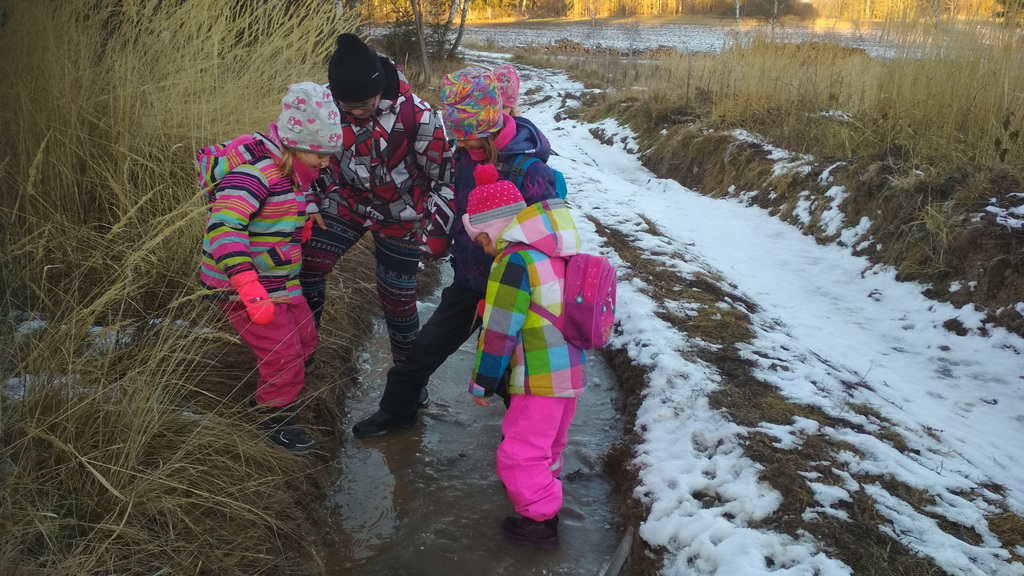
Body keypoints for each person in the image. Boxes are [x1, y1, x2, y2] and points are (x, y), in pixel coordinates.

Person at [352, 67, 559, 438]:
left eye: (469, 136)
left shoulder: (531, 172)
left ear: (492, 124)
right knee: (425, 348)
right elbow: (457, 204)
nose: (461, 144)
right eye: (457, 136)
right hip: (469, 279)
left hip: (517, 289)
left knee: (511, 368)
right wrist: (441, 237)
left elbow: (551, 238)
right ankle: (396, 411)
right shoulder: (465, 157)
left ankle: (523, 438)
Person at [198, 82, 342, 455]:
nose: (325, 163)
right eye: (318, 155)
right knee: (283, 352)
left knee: (306, 338)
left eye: (329, 155)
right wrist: (246, 285)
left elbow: (284, 205)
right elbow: (224, 227)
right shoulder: (254, 175)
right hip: (243, 284)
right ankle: (275, 418)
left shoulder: (295, 172)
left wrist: (300, 222)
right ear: (293, 144)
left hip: (279, 278)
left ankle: (273, 390)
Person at [300, 33, 454, 367]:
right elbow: (304, 159)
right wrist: (309, 200)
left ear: (380, 88)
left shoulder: (419, 117)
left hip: (404, 215)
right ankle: (301, 358)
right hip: (344, 202)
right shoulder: (323, 106)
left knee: (397, 297)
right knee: (307, 264)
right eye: (347, 107)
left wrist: (436, 236)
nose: (355, 113)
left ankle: (406, 380)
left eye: (364, 105)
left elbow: (444, 180)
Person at [463, 163, 586, 549]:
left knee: (518, 453)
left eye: (481, 241)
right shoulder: (556, 250)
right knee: (548, 446)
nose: (485, 250)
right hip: (571, 370)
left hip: (537, 373)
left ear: (492, 230)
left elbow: (499, 329)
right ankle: (545, 491)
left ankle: (539, 521)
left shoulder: (514, 261)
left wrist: (483, 380)